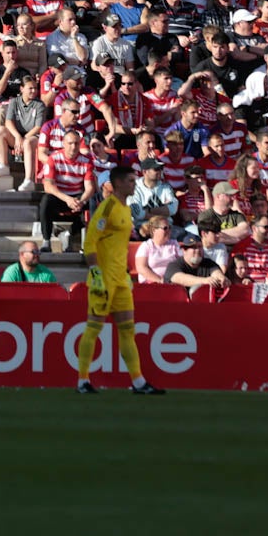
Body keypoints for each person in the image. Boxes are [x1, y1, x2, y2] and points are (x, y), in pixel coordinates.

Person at [77, 164, 166, 395]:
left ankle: (138, 382)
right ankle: (82, 380)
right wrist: (95, 272)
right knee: (94, 327)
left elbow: (117, 244)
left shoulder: (126, 209)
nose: (134, 184)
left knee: (127, 330)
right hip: (103, 279)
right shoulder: (107, 208)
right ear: (117, 183)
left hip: (121, 280)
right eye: (130, 181)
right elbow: (90, 242)